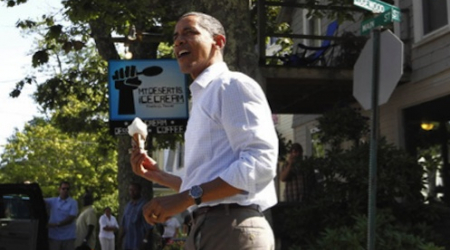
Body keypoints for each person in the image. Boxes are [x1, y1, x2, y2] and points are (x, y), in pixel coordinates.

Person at [130, 11, 278, 250]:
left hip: (232, 228)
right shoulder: (202, 99)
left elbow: (260, 163)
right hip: (207, 227)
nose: (178, 41)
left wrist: (184, 199)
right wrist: (159, 176)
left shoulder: (231, 85)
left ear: (218, 42)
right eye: (175, 36)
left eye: (190, 33)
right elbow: (208, 186)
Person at [45, 181, 78, 250]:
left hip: (68, 237)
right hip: (54, 237)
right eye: (63, 188)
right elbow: (38, 200)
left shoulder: (73, 203)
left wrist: (56, 224)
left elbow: (71, 218)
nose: (65, 190)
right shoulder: (52, 201)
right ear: (59, 189)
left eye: (67, 189)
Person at [119, 182, 153, 250]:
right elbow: (124, 225)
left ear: (139, 191)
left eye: (134, 190)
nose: (132, 192)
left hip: (139, 244)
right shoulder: (128, 206)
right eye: (130, 190)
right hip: (128, 244)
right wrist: (119, 240)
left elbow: (150, 227)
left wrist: (145, 242)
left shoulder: (145, 205)